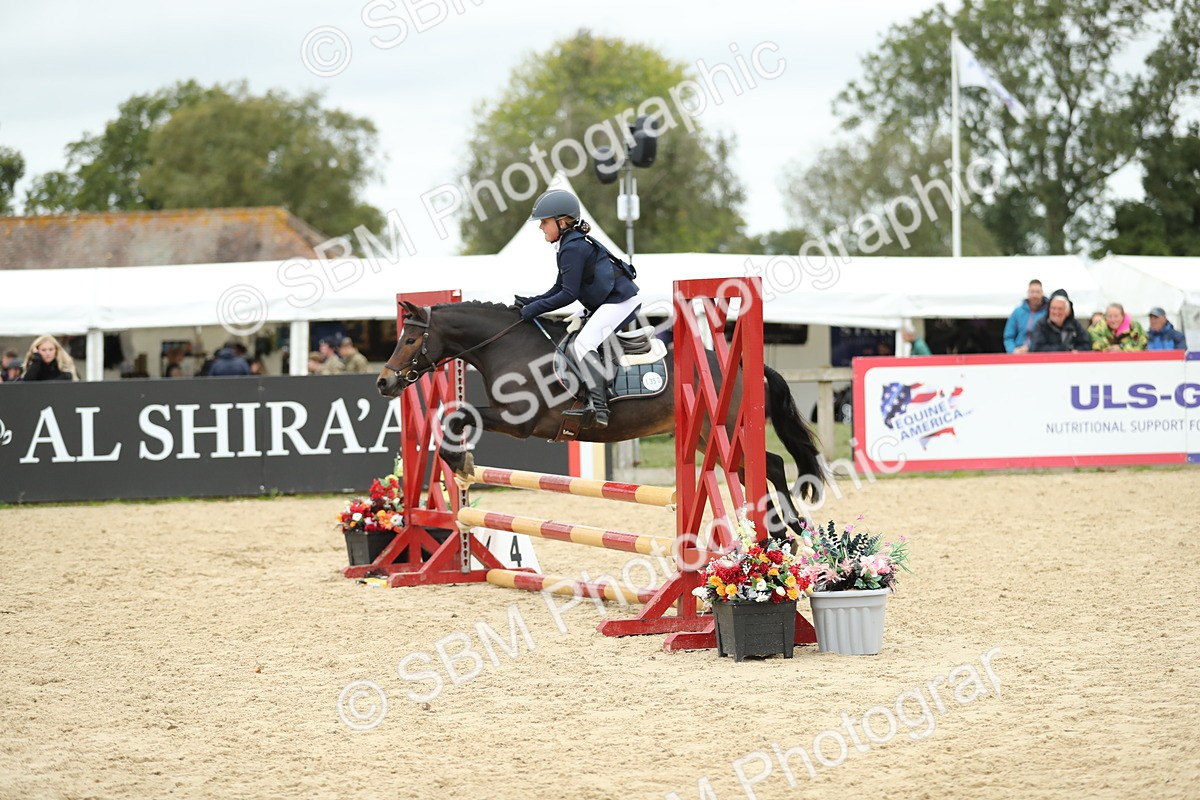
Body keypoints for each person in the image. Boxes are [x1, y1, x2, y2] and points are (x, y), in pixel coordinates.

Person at [516, 189, 640, 430]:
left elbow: (568, 295)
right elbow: (559, 287)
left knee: (583, 344)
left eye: (544, 222)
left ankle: (600, 408)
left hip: (620, 302)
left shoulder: (572, 248)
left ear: (562, 222)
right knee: (574, 337)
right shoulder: (568, 244)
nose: (541, 227)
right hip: (609, 300)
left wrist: (534, 310)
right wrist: (531, 302)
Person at [1004, 279, 1047, 354]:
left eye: (1038, 292)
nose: (1035, 295)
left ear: (1042, 293)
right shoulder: (1017, 312)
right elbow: (1008, 336)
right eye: (1032, 292)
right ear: (1028, 293)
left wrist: (1030, 348)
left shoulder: (1048, 313)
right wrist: (1013, 350)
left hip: (1038, 352)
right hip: (1018, 353)